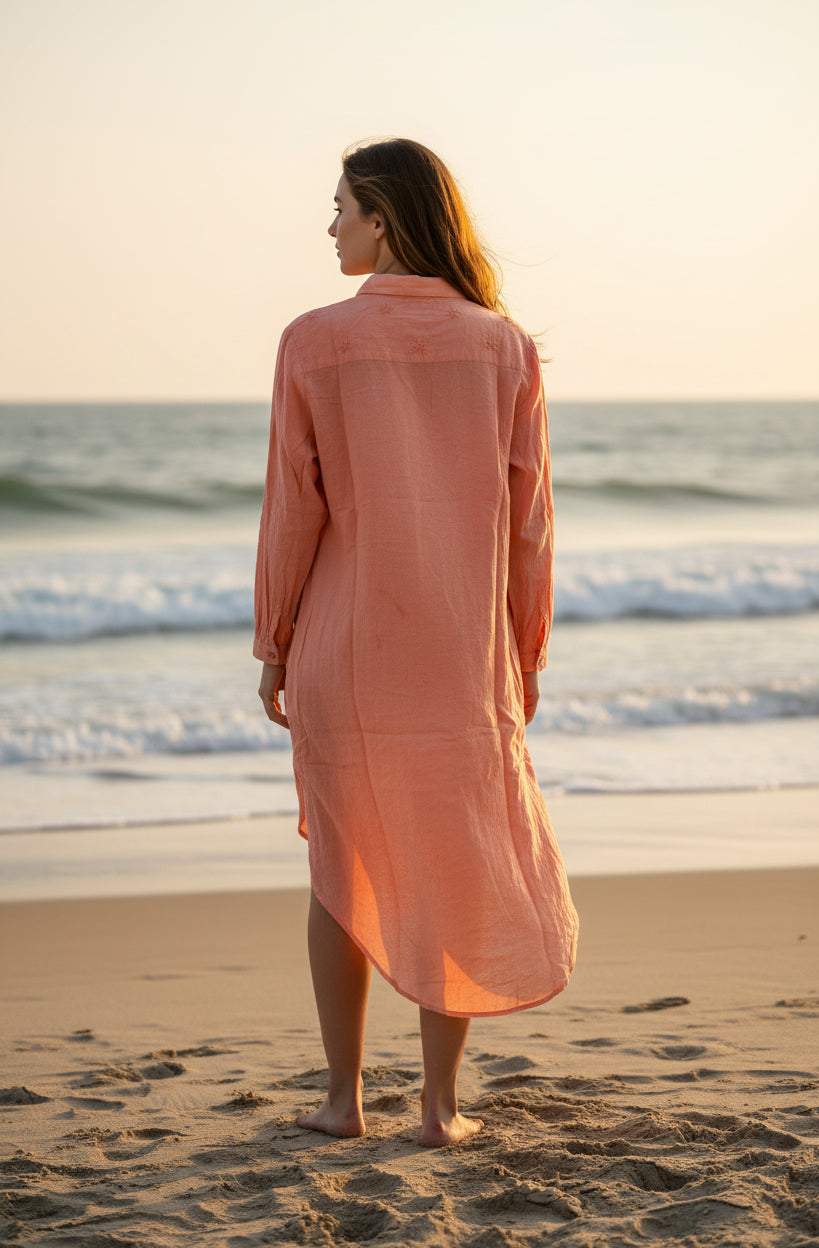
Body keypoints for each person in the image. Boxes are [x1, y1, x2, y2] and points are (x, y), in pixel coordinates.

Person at [254, 138, 578, 1148]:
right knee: (460, 863)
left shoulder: (311, 342)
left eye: (342, 205)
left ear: (383, 218)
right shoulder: (502, 346)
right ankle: (441, 1111)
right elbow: (529, 526)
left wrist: (273, 643)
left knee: (340, 870)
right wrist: (522, 653)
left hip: (345, 654)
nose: (331, 223)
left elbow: (292, 514)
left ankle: (343, 1103)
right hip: (460, 659)